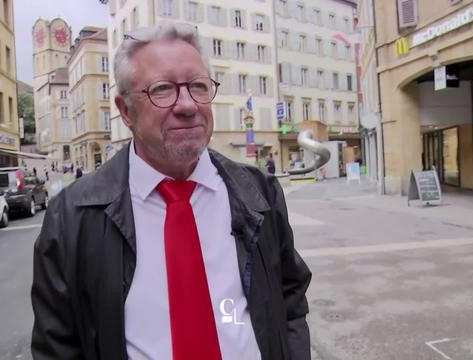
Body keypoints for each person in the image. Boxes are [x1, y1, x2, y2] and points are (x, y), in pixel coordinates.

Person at [31, 23, 311, 360]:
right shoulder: (72, 216)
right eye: (162, 89)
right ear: (125, 110)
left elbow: (290, 302)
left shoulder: (259, 192)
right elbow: (57, 346)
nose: (187, 105)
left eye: (198, 86)